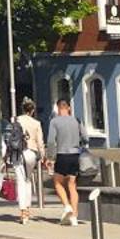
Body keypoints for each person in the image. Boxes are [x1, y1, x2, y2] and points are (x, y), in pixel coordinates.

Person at [5, 97, 46, 222]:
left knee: (20, 181)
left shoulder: (15, 120)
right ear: (32, 110)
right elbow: (40, 142)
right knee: (28, 180)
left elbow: (7, 138)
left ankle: (23, 212)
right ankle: (27, 209)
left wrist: (6, 155)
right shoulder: (36, 123)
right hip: (31, 153)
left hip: (17, 153)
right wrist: (43, 156)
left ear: (22, 109)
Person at [45, 96, 84, 225]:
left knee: (57, 183)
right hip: (74, 155)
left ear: (58, 108)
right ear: (69, 108)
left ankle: (67, 206)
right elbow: (86, 137)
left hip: (62, 155)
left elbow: (51, 141)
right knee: (72, 185)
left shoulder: (54, 122)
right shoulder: (77, 121)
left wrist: (50, 157)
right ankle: (74, 216)